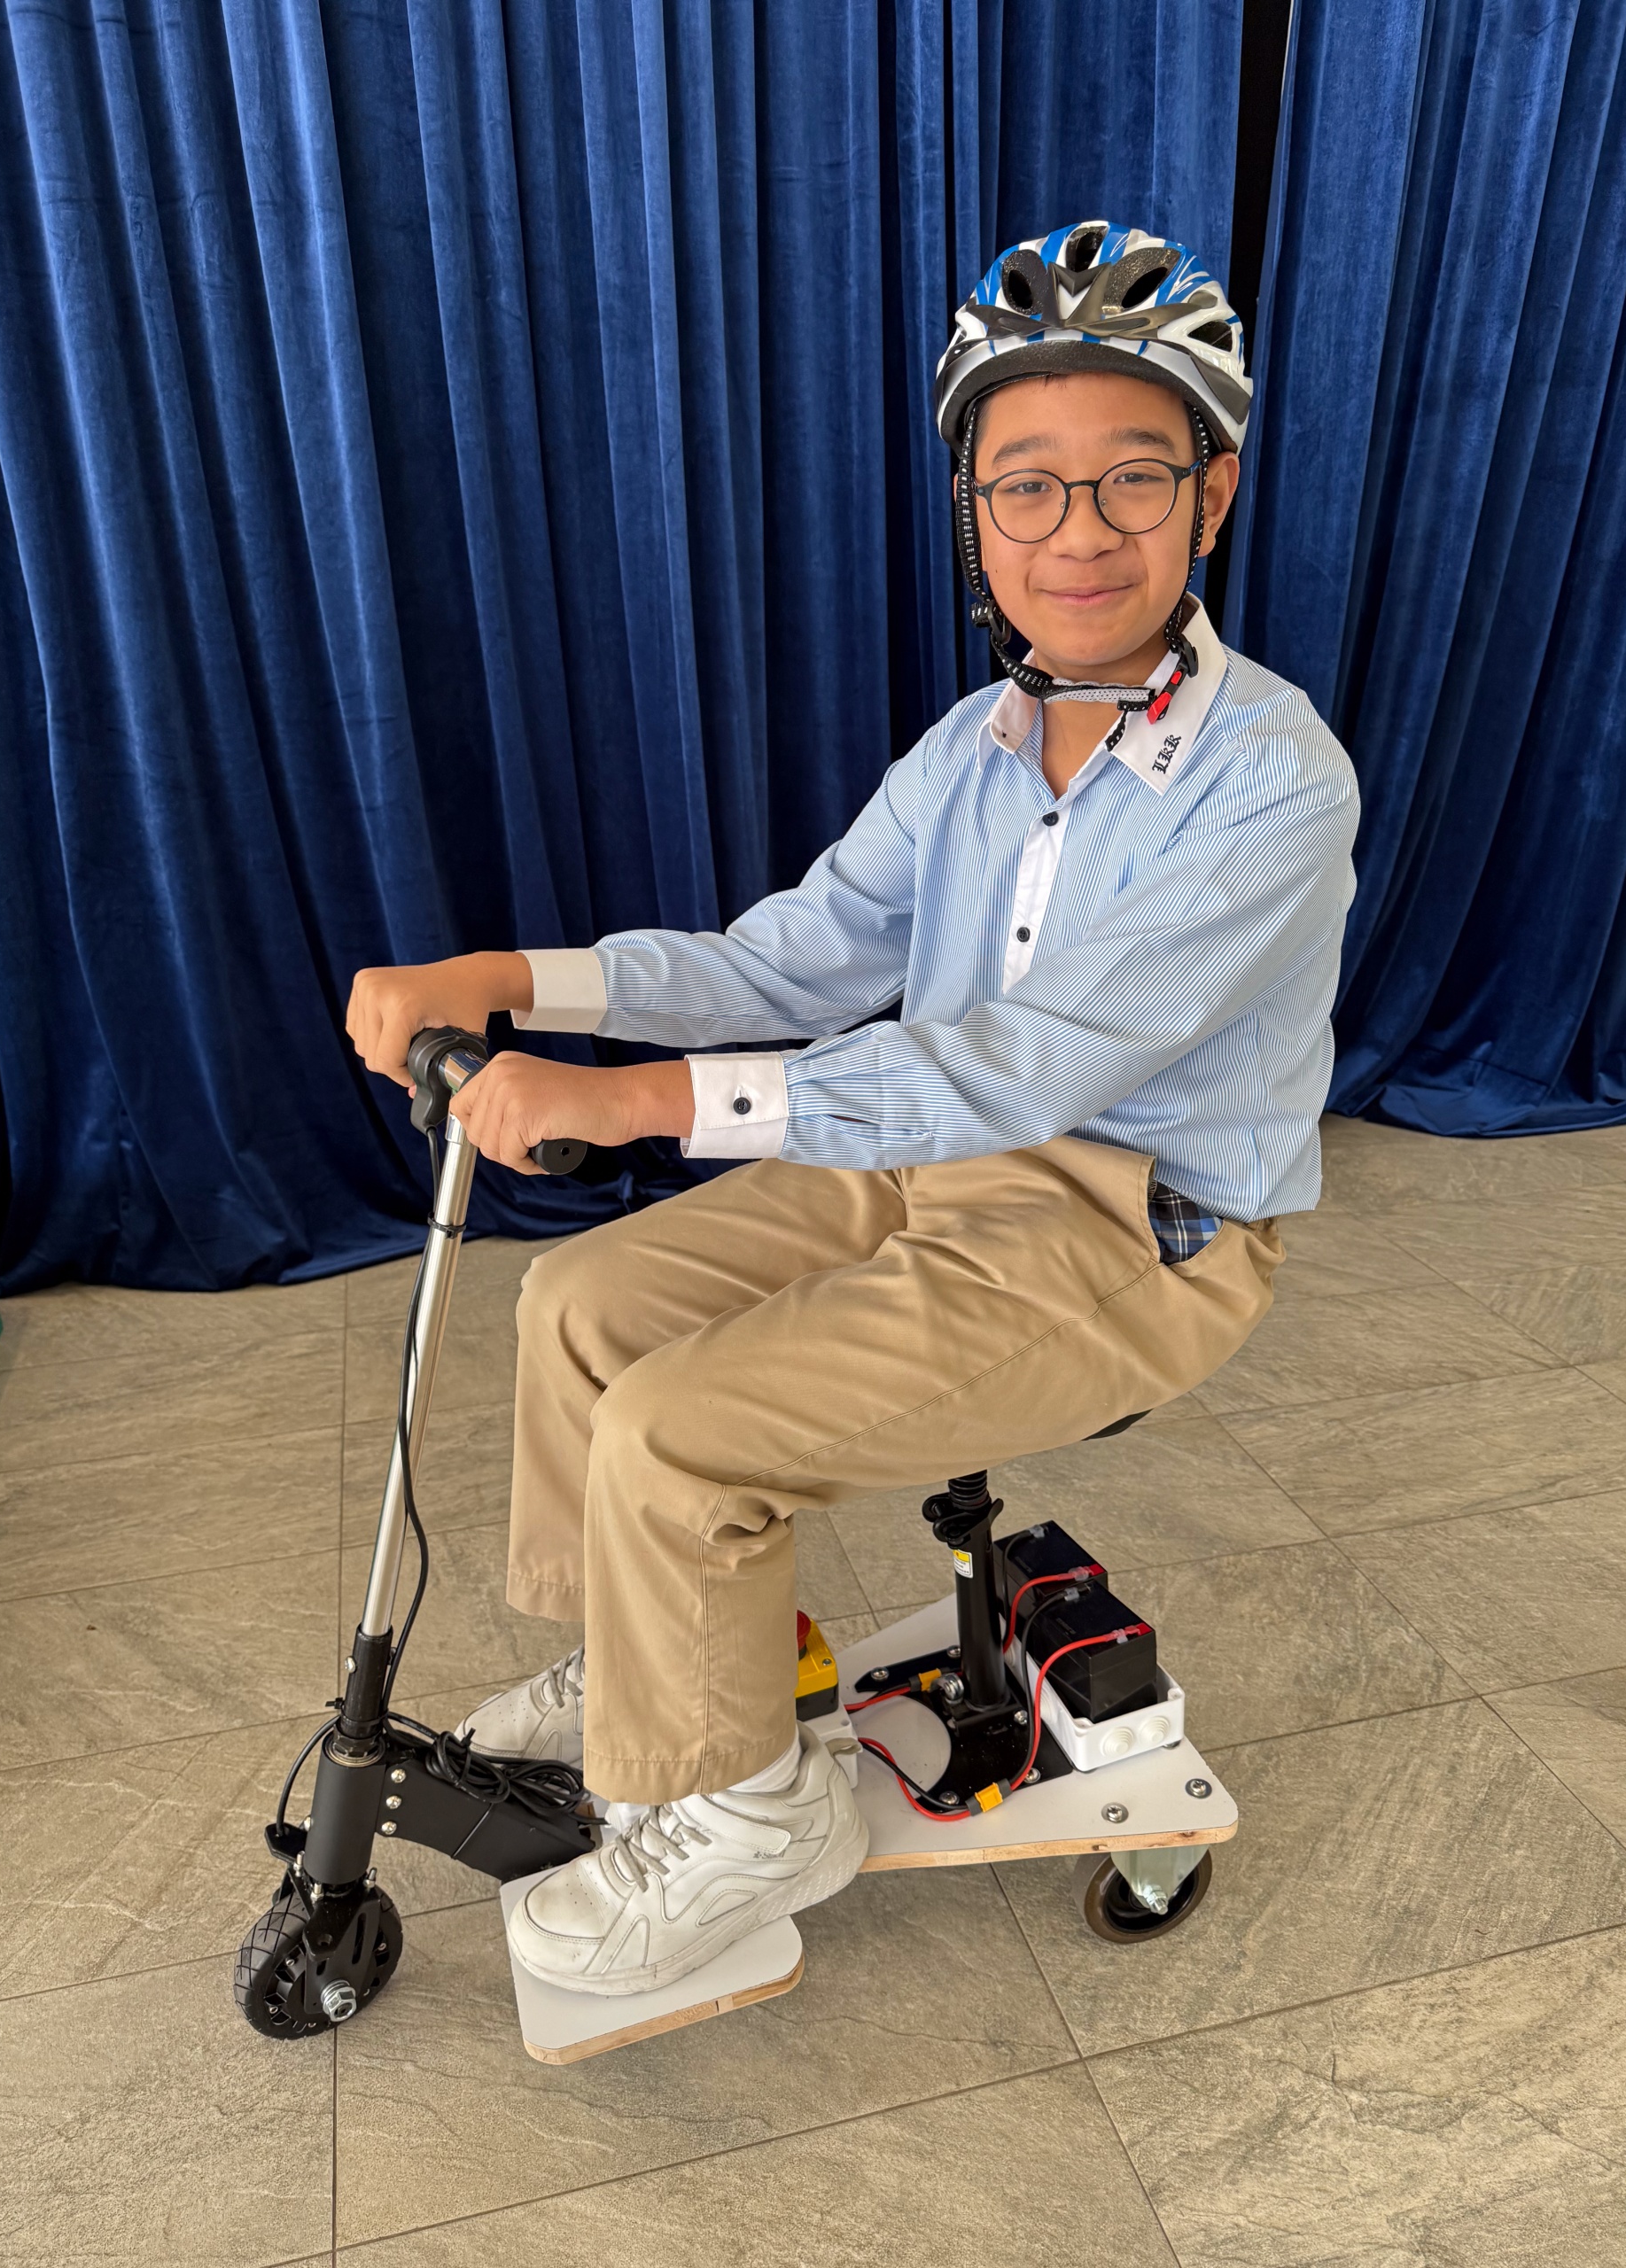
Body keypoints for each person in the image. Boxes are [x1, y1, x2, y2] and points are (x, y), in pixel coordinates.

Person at [346, 221, 1358, 1999]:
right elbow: (785, 961)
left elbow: (1024, 1064)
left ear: (1211, 495)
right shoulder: (974, 746)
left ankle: (754, 1816)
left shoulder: (1274, 781)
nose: (1078, 533)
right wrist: (505, 977)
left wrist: (635, 1102)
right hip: (933, 1159)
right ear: (975, 514)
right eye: (1025, 485)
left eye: (1133, 478)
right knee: (578, 1306)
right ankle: (649, 1669)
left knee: (682, 1433)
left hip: (1139, 1227)